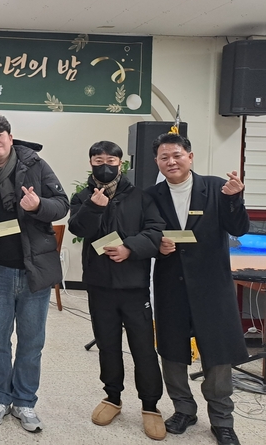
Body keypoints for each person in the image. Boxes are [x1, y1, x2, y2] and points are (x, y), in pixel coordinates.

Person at [0, 114, 69, 433]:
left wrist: (38, 206)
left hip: (35, 270)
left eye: (0, 134)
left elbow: (61, 205)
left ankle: (24, 402)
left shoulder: (37, 167)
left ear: (10, 137)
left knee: (32, 341)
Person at [145, 132, 249, 445]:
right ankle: (184, 410)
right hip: (171, 285)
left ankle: (222, 419)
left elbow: (239, 228)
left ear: (189, 157)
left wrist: (235, 199)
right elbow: (145, 233)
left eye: (177, 155)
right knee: (172, 351)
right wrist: (156, 245)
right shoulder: (151, 195)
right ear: (157, 162)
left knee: (217, 354)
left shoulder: (217, 188)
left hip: (212, 285)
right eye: (164, 157)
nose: (171, 161)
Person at [68, 140, 166, 440]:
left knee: (143, 348)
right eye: (99, 160)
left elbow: (155, 231)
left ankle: (150, 406)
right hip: (99, 285)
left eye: (111, 160)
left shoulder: (141, 196)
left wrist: (129, 248)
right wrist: (93, 207)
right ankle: (112, 397)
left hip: (134, 285)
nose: (105, 165)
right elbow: (78, 230)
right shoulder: (82, 196)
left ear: (120, 164)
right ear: (91, 163)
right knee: (107, 345)